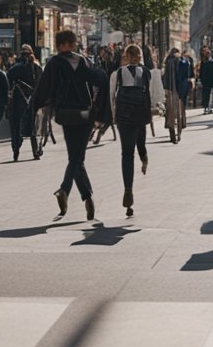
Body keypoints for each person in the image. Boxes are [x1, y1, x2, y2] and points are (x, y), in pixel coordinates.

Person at [32, 30, 106, 220]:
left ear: (58, 45)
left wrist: (33, 109)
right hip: (84, 114)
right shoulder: (84, 61)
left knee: (75, 157)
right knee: (77, 157)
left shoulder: (54, 64)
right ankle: (67, 190)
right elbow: (100, 79)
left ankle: (87, 199)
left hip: (65, 114)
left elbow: (42, 88)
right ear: (72, 44)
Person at [110, 44, 152, 217]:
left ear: (126, 56)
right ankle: (144, 159)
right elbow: (153, 94)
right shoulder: (146, 73)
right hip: (140, 115)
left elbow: (112, 96)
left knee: (126, 154)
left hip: (124, 117)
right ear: (140, 56)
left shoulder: (117, 74)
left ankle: (128, 189)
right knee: (140, 143)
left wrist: (114, 117)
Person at [7, 45, 43, 161]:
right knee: (33, 127)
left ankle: (16, 151)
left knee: (16, 127)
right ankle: (35, 152)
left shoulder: (15, 68)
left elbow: (8, 84)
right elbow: (42, 84)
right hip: (33, 101)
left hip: (18, 101)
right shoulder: (37, 67)